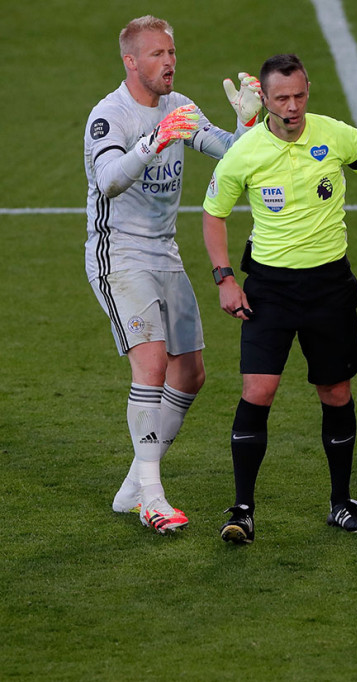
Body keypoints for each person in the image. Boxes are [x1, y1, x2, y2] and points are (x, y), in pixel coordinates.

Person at [201, 53, 357, 545]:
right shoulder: (245, 151)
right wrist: (225, 277)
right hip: (269, 288)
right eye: (281, 98)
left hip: (330, 287)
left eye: (299, 95)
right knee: (258, 391)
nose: (292, 107)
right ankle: (242, 509)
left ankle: (340, 502)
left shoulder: (336, 135)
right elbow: (213, 213)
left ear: (308, 90)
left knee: (335, 392)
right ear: (264, 100)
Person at [84, 15, 262, 533]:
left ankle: (133, 485)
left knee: (190, 373)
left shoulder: (181, 106)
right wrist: (154, 141)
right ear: (131, 62)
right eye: (158, 54)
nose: (169, 62)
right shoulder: (109, 116)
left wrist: (250, 126)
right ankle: (152, 497)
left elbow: (228, 154)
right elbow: (110, 180)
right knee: (154, 363)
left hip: (165, 252)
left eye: (172, 52)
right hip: (119, 255)